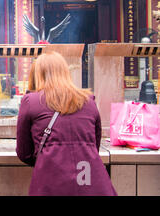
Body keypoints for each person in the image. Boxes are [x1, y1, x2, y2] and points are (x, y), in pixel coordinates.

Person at [16, 51, 117, 196]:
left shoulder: (31, 101)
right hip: (90, 183)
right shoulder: (88, 100)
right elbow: (94, 145)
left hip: (50, 185)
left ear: (36, 75)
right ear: (65, 72)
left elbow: (24, 153)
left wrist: (47, 159)